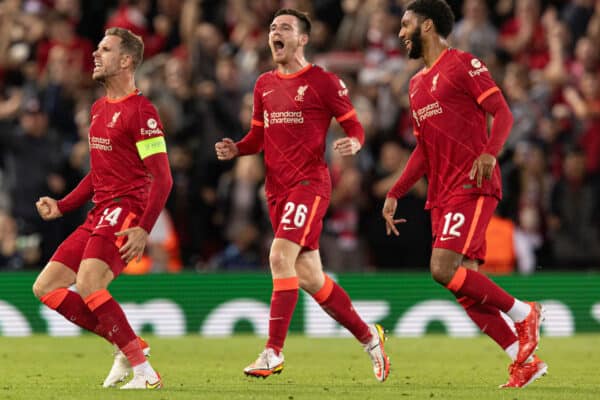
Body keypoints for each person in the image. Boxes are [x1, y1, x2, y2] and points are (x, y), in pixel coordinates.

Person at [215, 8, 390, 382]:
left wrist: (355, 143)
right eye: (272, 28)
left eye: (285, 28)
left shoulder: (324, 82)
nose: (275, 33)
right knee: (311, 277)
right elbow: (258, 137)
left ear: (303, 39)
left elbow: (355, 125)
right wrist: (238, 149)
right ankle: (369, 336)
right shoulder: (263, 84)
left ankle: (272, 352)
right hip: (276, 191)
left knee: (279, 256)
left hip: (309, 185)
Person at [381, 0, 546, 388]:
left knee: (442, 270)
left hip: (471, 184)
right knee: (465, 287)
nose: (400, 32)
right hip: (441, 193)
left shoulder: (464, 64)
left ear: (426, 26)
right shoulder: (417, 84)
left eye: (405, 25)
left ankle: (525, 313)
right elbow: (423, 149)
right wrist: (396, 190)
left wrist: (490, 152)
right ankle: (524, 362)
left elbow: (503, 114)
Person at [31, 27, 172, 390]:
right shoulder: (97, 109)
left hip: (125, 209)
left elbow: (163, 178)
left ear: (125, 61)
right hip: (98, 211)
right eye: (97, 48)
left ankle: (145, 372)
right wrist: (63, 206)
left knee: (90, 282)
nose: (95, 54)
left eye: (105, 49)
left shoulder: (142, 112)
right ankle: (127, 344)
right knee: (46, 287)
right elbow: (98, 172)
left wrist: (143, 227)